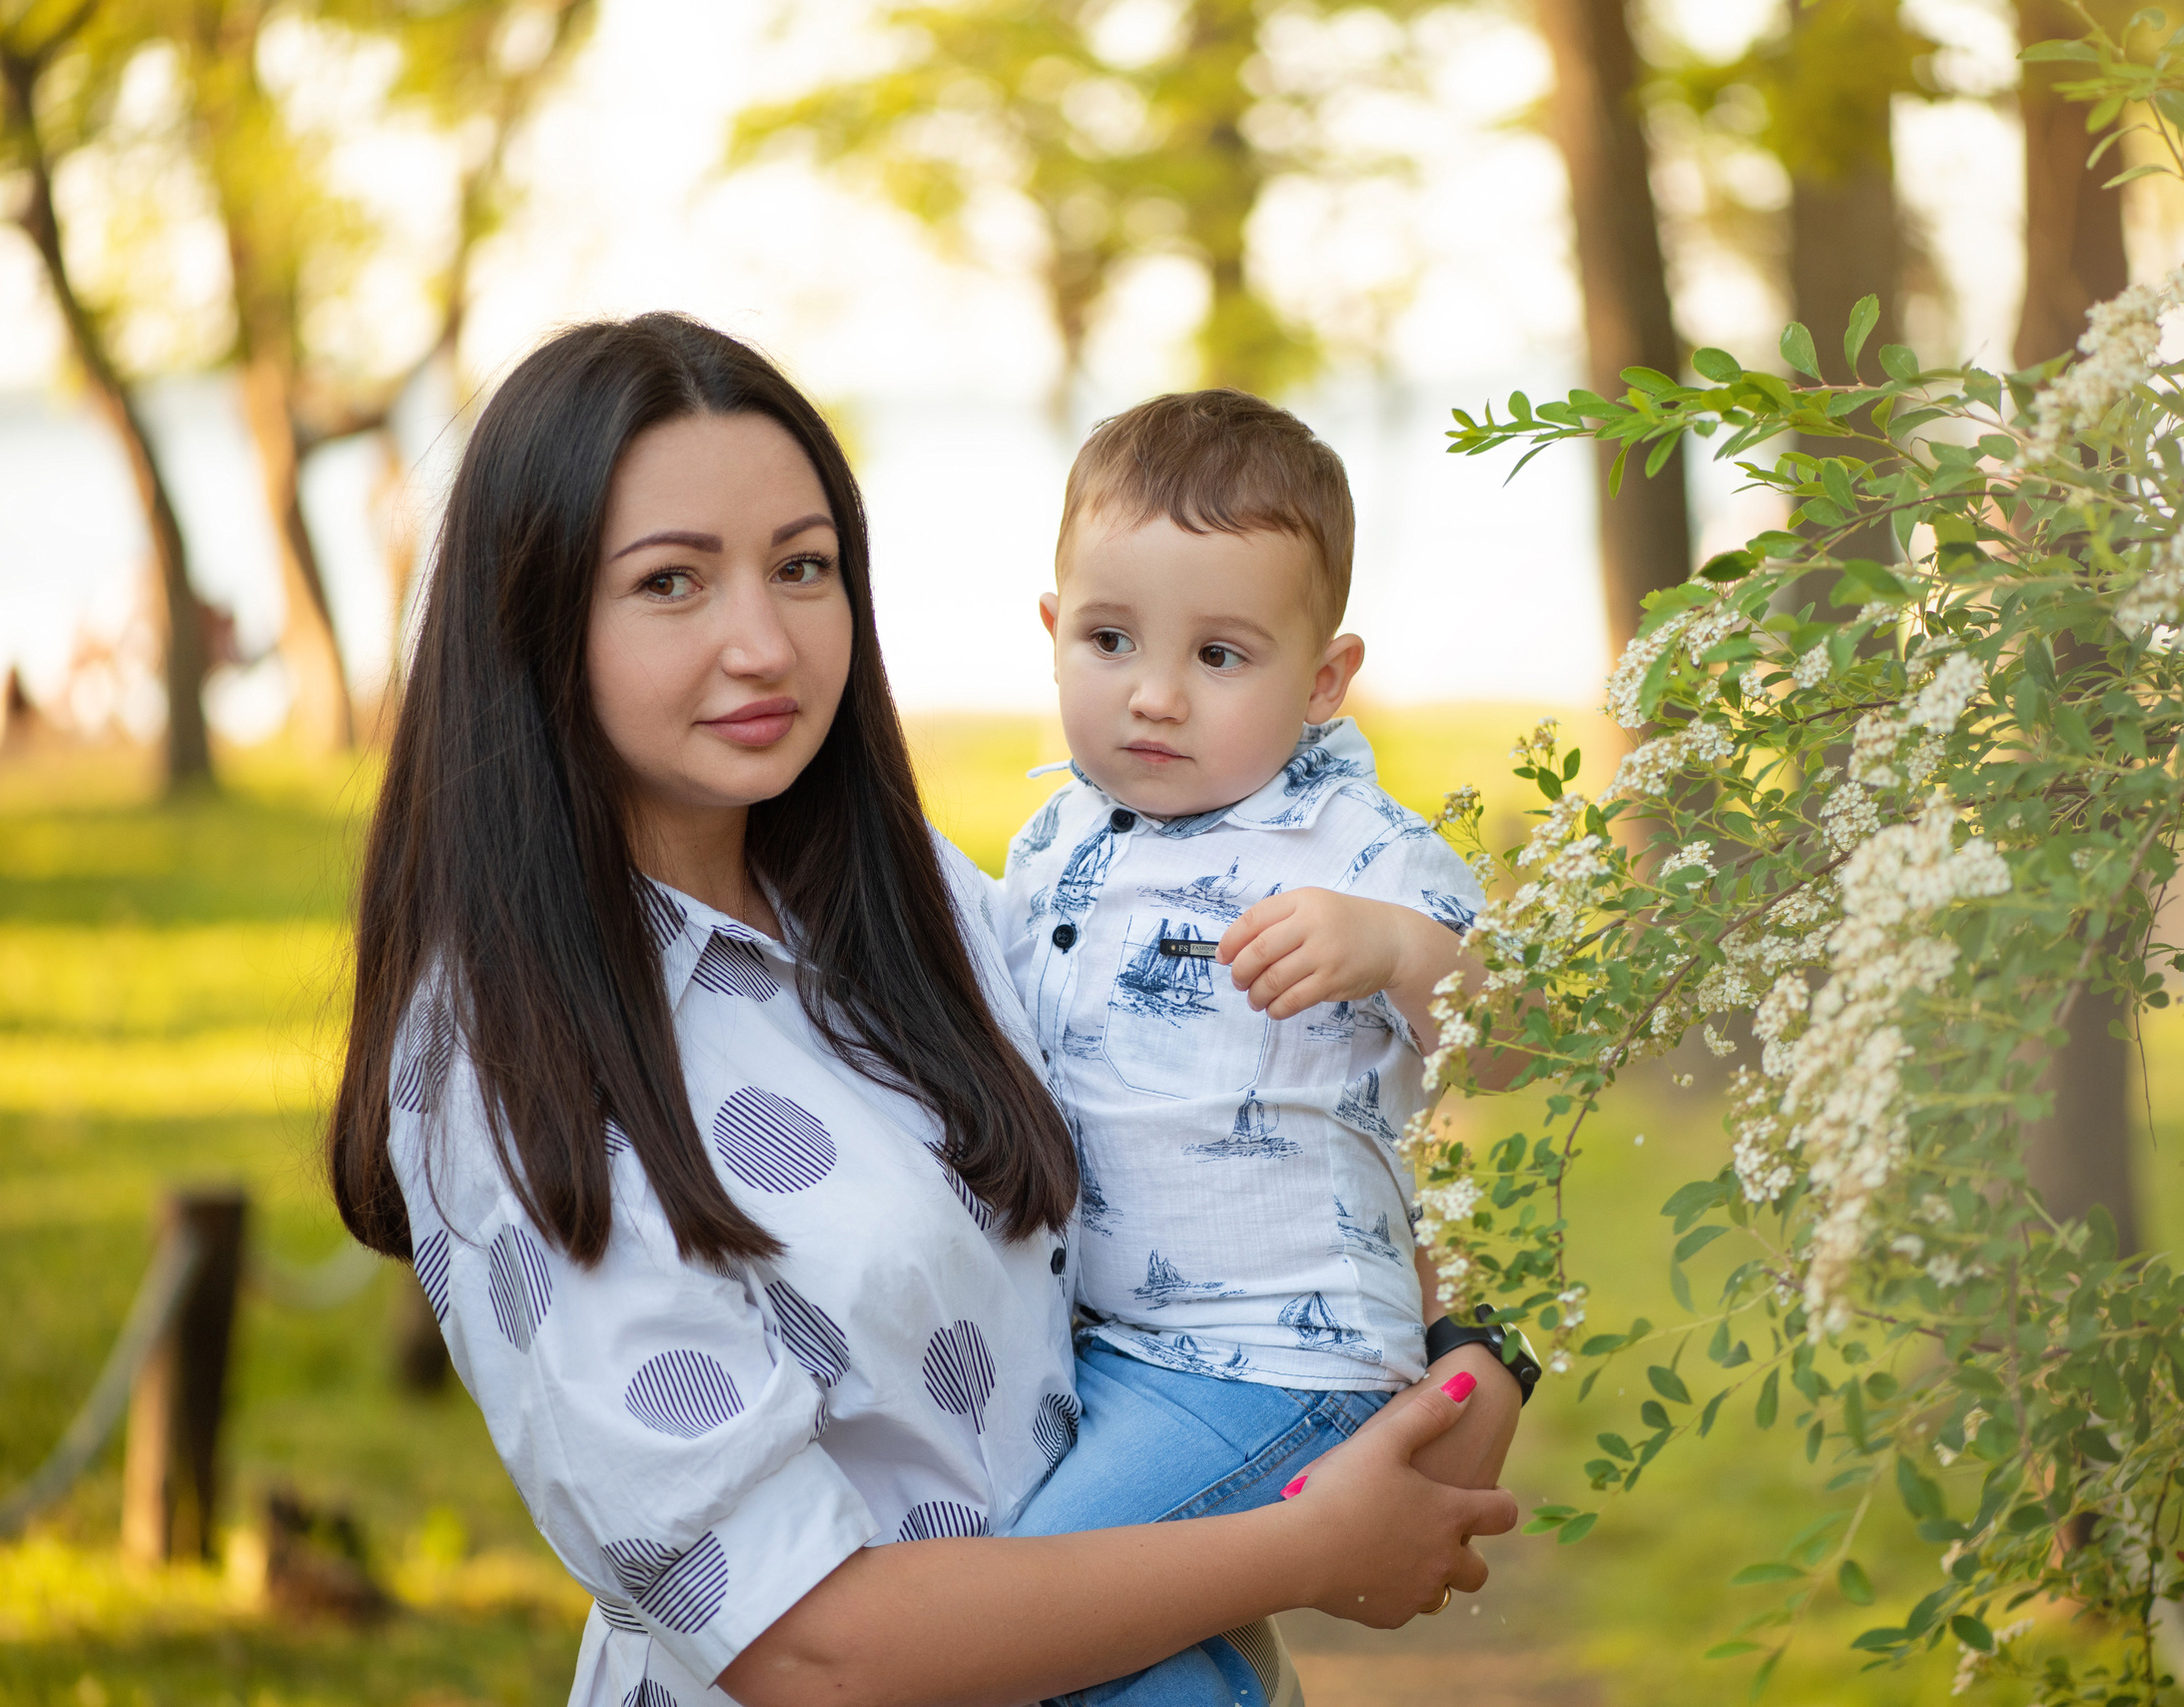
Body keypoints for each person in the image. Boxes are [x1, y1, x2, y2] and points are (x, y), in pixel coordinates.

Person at [326, 315, 1516, 1707]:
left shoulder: (906, 898)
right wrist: (1298, 1545)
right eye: (671, 583)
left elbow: (1239, 1111)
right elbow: (809, 1646)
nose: (763, 641)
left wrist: (1471, 1350)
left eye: (803, 566)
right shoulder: (507, 1055)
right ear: (534, 616)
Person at [995, 392, 1532, 1704]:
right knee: (1137, 1637)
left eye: (1223, 655)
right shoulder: (1053, 841)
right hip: (1116, 1347)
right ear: (1056, 632)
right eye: (1113, 640)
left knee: (1041, 1609)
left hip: (1281, 1355)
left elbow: (1522, 1041)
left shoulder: (1356, 845)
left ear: (1325, 677)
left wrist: (1404, 953)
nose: (1157, 695)